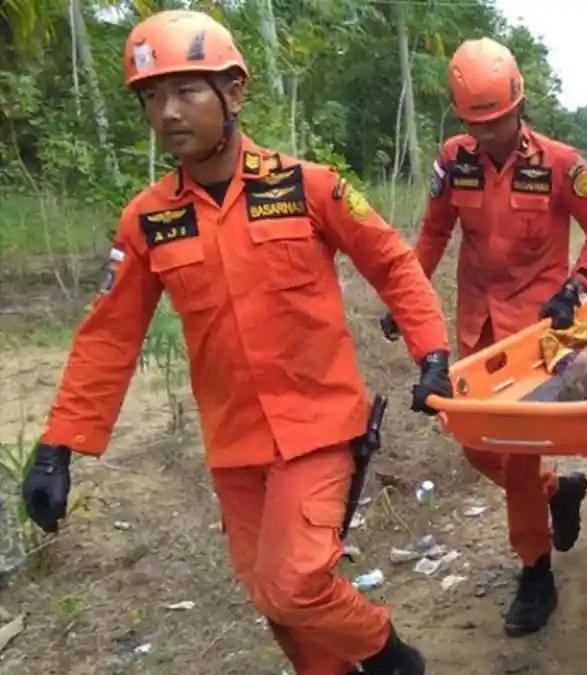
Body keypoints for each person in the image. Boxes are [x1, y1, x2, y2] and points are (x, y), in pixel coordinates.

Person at [19, 11, 448, 675]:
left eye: (186, 91)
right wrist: (56, 446)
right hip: (236, 442)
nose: (166, 113)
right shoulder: (148, 219)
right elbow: (108, 335)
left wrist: (433, 355)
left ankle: (393, 656)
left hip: (319, 427)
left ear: (234, 93)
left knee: (295, 582)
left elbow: (392, 262)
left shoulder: (309, 186)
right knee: (274, 602)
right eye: (151, 98)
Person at [403, 37, 587, 636]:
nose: (491, 134)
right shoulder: (455, 159)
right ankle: (559, 491)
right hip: (478, 326)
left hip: (534, 338)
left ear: (518, 105)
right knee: (474, 442)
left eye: (499, 121)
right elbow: (433, 234)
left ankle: (535, 572)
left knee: (517, 454)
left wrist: (575, 286)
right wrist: (408, 292)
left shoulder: (561, 163)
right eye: (479, 124)